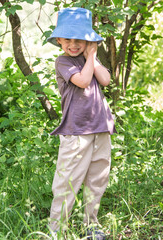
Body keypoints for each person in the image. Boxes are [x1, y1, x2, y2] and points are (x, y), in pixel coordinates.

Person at [46, 7, 116, 240]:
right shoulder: (63, 62)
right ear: (59, 40)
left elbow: (104, 79)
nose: (73, 44)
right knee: (67, 181)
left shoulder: (89, 60)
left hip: (100, 127)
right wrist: (91, 57)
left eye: (80, 39)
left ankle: (91, 224)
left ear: (89, 41)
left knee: (97, 179)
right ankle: (56, 230)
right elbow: (84, 82)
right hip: (76, 131)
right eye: (68, 39)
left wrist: (92, 57)